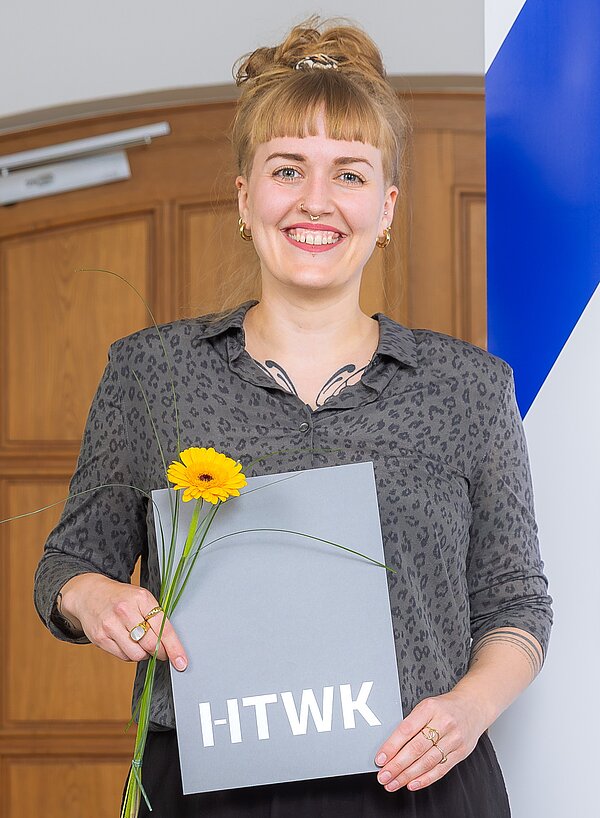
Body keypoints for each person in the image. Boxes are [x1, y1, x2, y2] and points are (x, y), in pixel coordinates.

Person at [34, 16, 552, 818]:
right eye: (287, 169)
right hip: (208, 793)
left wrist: (470, 708)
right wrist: (94, 597)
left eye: (349, 174)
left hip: (417, 788)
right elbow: (66, 565)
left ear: (385, 208)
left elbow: (517, 605)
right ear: (246, 197)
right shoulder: (150, 373)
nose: (317, 201)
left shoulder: (470, 389)